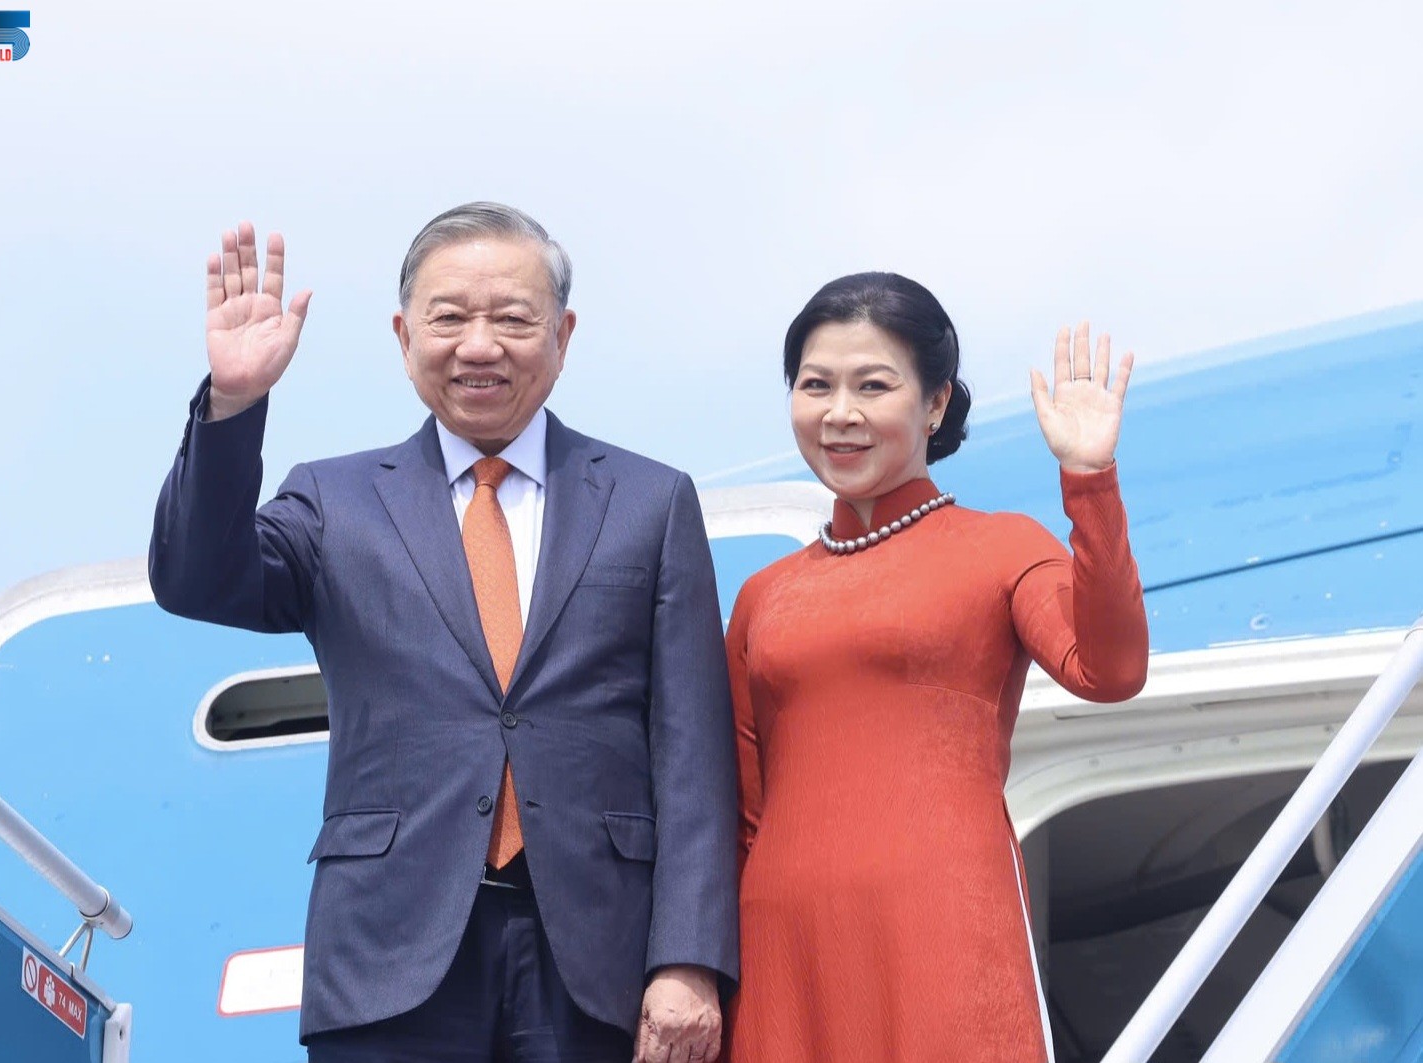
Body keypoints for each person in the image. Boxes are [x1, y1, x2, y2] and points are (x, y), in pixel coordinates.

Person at [149, 203, 738, 1063]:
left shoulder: (650, 501)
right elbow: (197, 577)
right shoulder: (335, 501)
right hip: (387, 955)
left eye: (513, 319)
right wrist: (235, 401)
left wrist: (687, 959)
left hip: (597, 960)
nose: (479, 345)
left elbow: (694, 753)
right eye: (450, 318)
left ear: (563, 336)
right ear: (404, 336)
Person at [723, 272, 1149, 1061]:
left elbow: (1109, 669)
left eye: (873, 385)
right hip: (785, 945)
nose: (840, 412)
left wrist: (1090, 480)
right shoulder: (762, 595)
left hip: (941, 924)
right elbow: (744, 816)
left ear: (935, 403)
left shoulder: (1001, 546)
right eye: (815, 385)